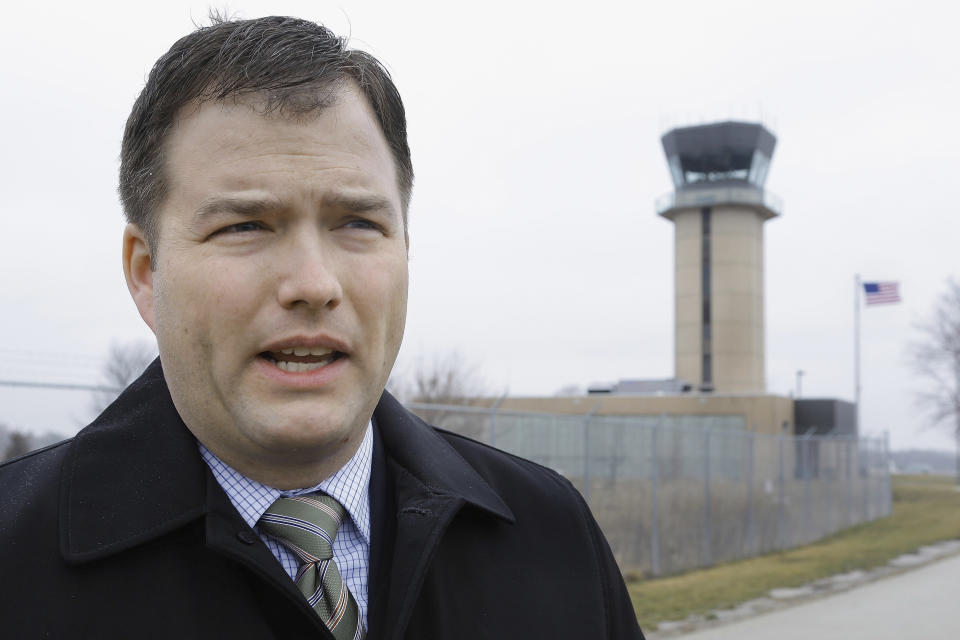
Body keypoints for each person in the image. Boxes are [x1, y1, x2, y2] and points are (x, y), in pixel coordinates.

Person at [0, 16, 644, 639]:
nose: (313, 284)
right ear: (145, 272)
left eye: (358, 224)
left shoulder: (551, 534)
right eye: (244, 226)